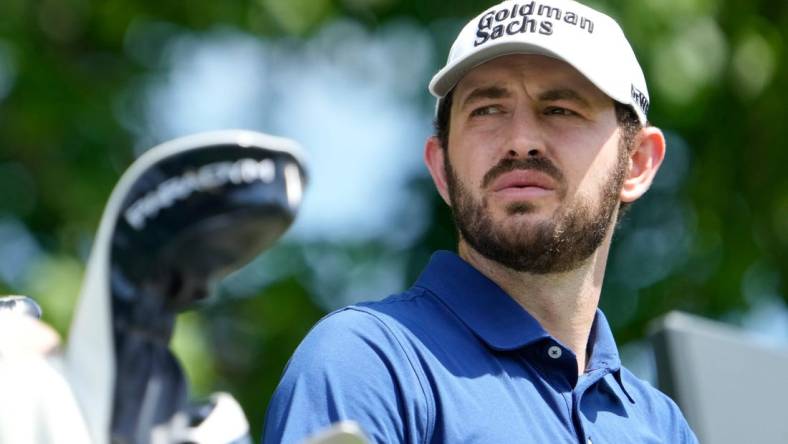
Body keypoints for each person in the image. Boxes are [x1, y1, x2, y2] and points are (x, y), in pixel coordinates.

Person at [263, 0, 698, 442]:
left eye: (561, 109)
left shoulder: (663, 427)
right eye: (486, 110)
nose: (521, 141)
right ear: (441, 167)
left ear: (637, 163)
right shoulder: (368, 361)